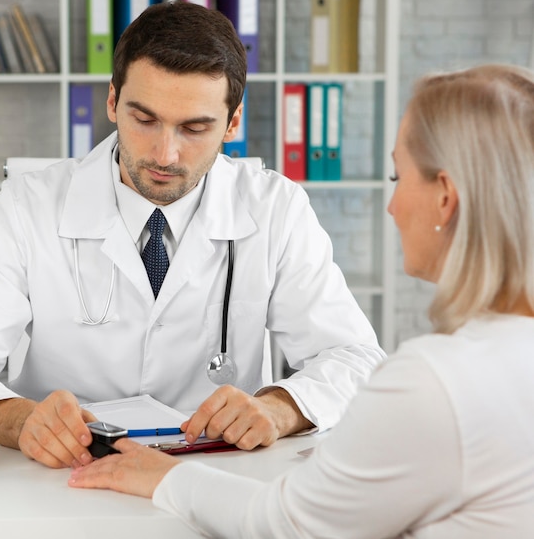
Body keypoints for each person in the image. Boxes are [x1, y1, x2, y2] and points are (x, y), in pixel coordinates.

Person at [0, 1, 383, 470]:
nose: (166, 154)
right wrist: (14, 418)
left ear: (232, 123)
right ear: (112, 102)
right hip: (60, 478)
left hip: (215, 476)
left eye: (195, 128)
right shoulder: (25, 207)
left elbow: (356, 358)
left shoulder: (276, 208)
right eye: (145, 119)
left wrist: (281, 408)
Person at [67, 63, 534, 538]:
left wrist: (177, 466)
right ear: (113, 104)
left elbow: (288, 525)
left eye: (397, 177)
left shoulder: (435, 382)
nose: (391, 206)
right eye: (146, 120)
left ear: (445, 199)